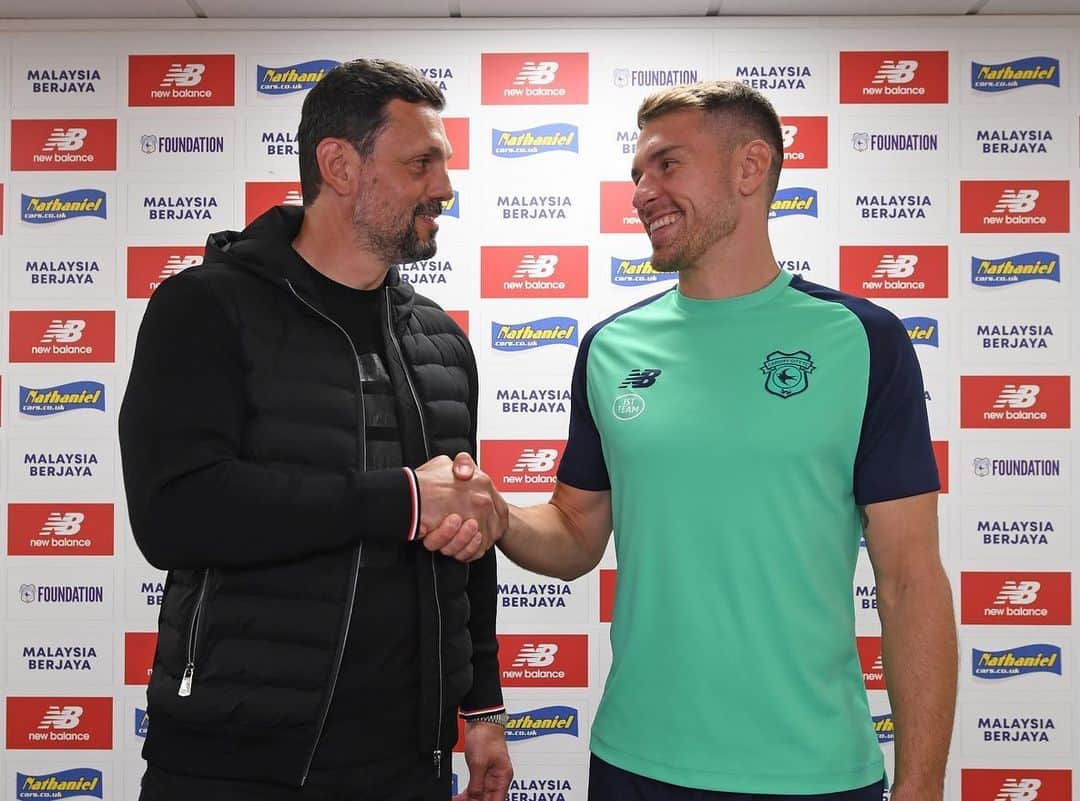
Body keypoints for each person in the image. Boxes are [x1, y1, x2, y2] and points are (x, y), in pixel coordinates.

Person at [463, 80, 957, 801]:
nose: (641, 192)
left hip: (816, 771)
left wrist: (920, 786)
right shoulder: (609, 347)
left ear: (750, 168)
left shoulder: (865, 341)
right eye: (637, 174)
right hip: (636, 763)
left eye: (667, 165)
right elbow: (574, 533)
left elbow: (910, 581)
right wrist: (497, 513)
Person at [119, 58, 512, 801]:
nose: (444, 189)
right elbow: (175, 512)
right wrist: (399, 499)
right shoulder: (205, 309)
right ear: (338, 164)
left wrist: (482, 705)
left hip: (408, 764)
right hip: (233, 768)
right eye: (420, 162)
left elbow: (468, 535)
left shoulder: (440, 340)